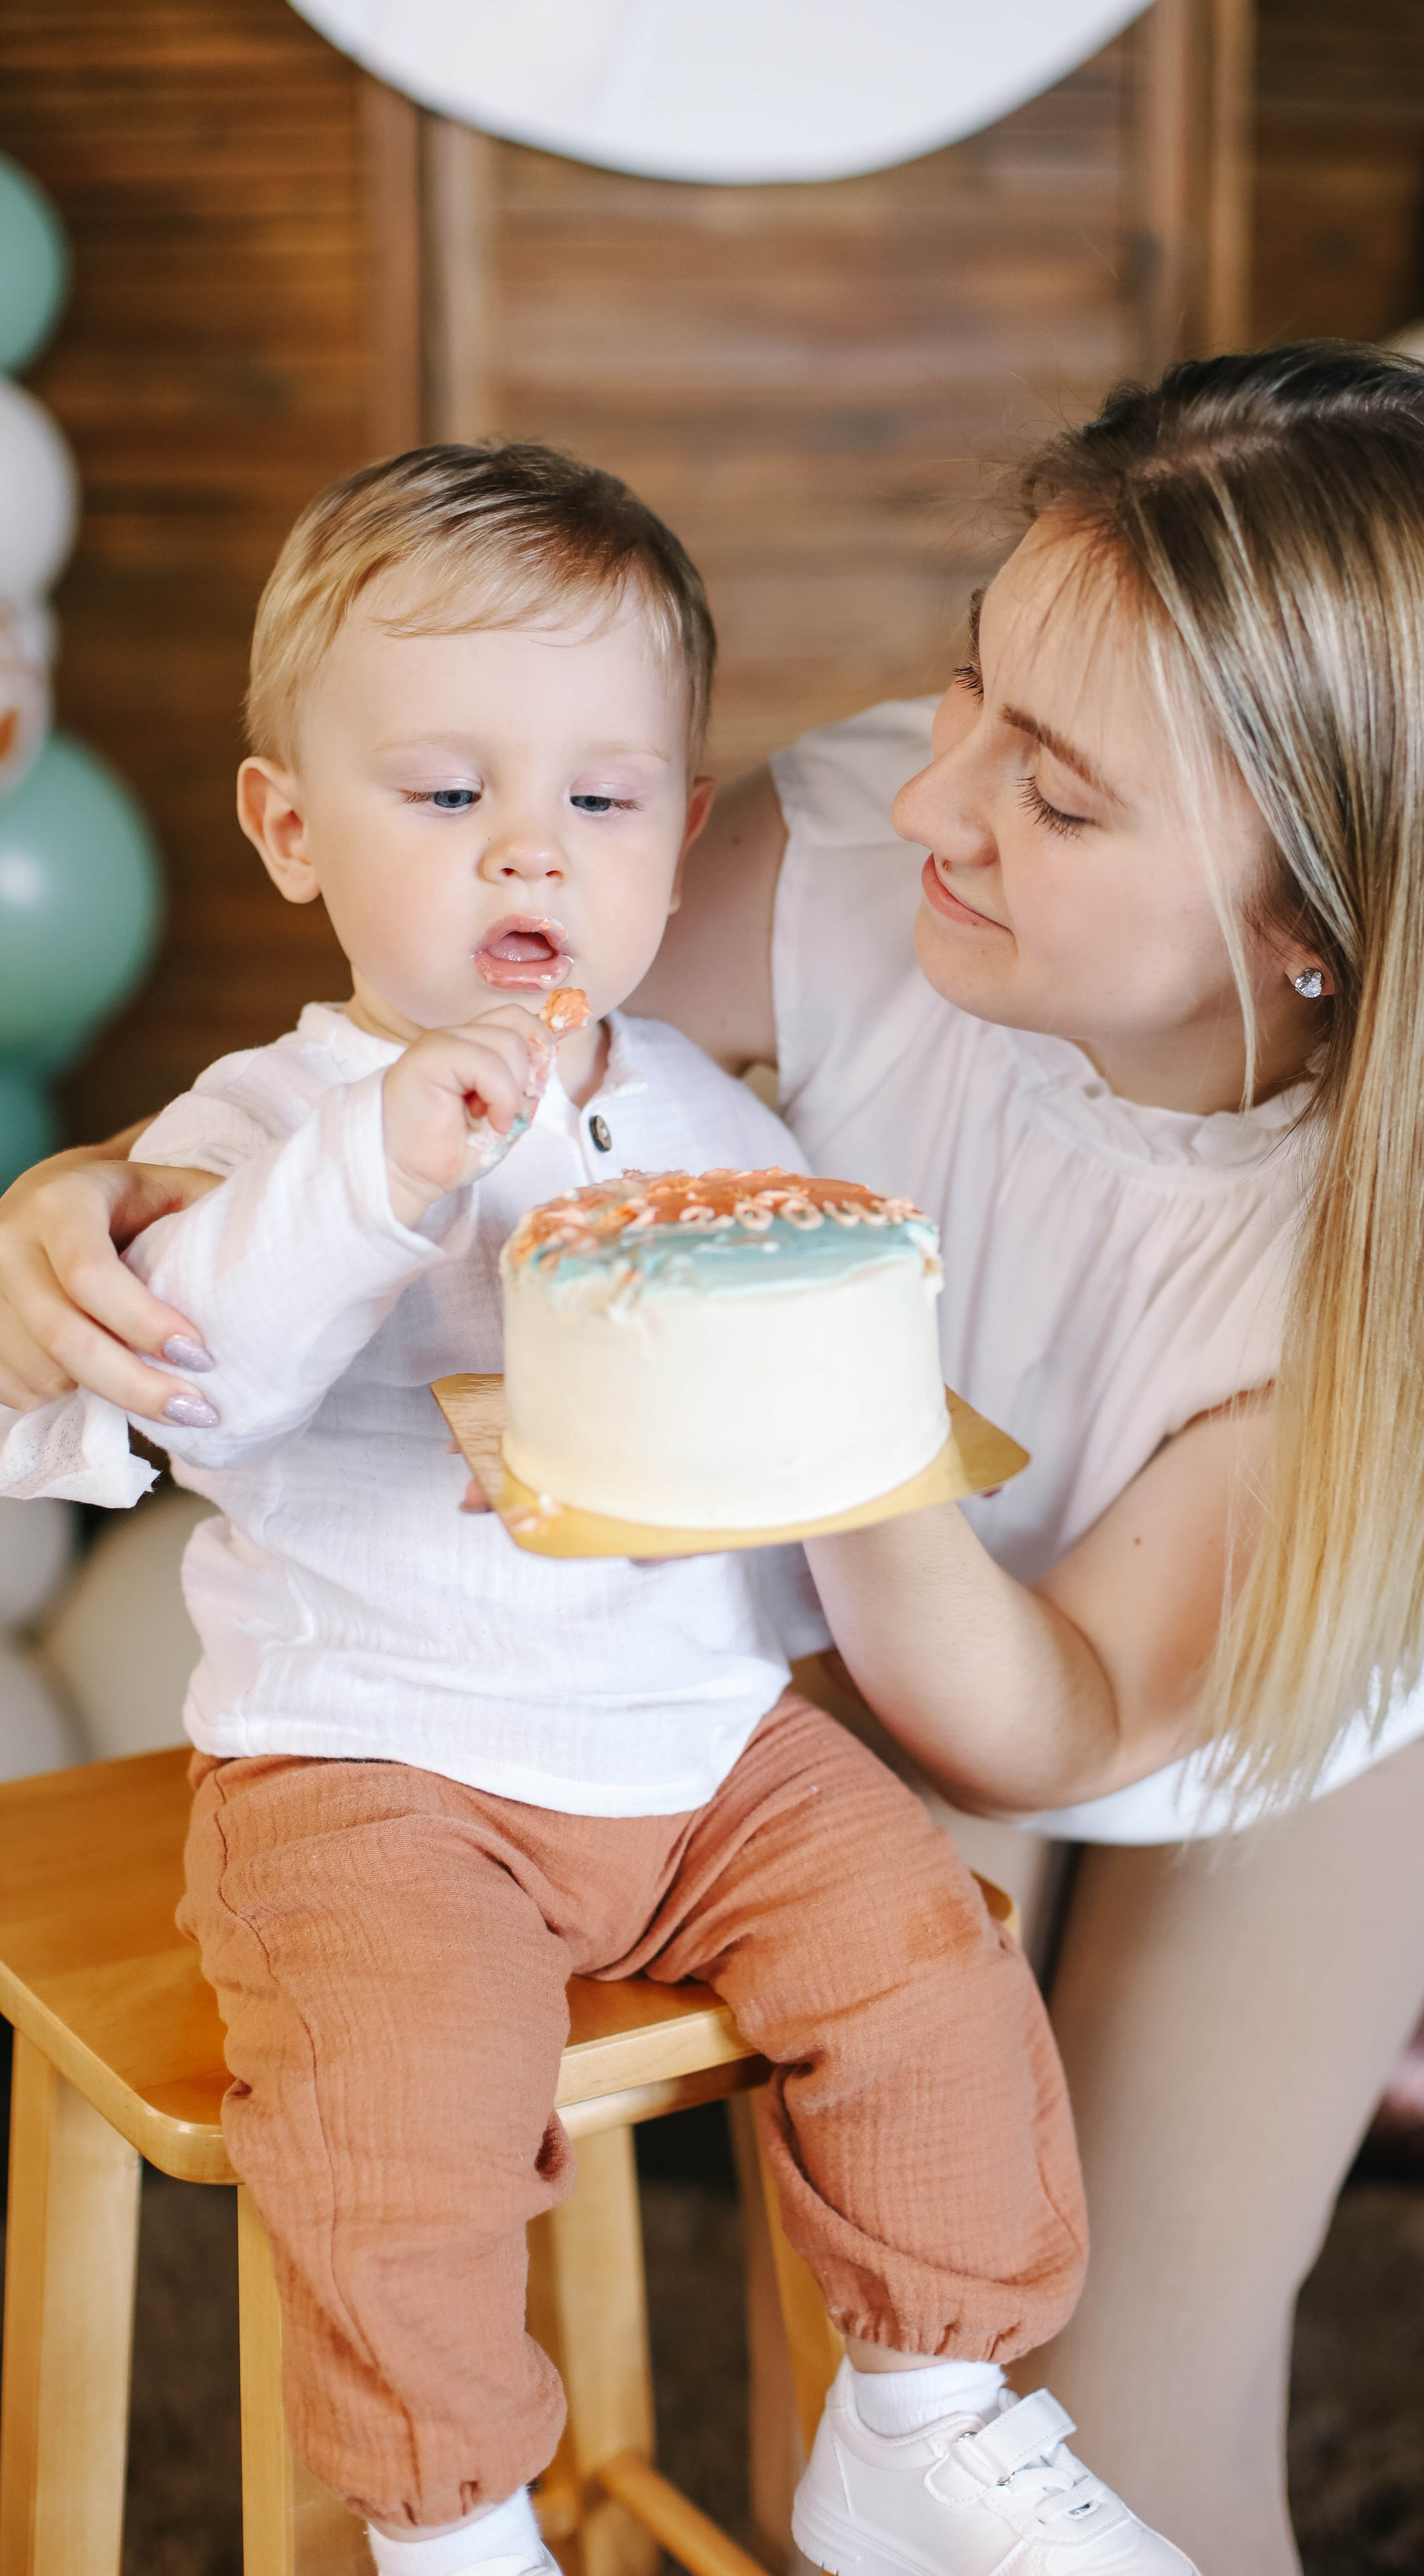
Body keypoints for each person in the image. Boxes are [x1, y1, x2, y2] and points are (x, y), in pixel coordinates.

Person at [3, 346, 1424, 2571]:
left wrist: (821, 1386)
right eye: (969, 689)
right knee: (867, 2303)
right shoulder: (840, 861)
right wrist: (98, 1191)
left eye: (1062, 795)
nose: (938, 800)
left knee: (1129, 2437)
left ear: (1312, 922)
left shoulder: (1406, 1272)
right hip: (860, 1622)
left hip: (1246, 1724)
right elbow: (436, 1076)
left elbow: (1051, 1709)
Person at [0, 442, 1187, 2576]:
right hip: (379, 1764)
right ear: (292, 828)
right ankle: (452, 2521)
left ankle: (923, 2404)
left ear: (679, 837)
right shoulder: (261, 1121)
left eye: (601, 801)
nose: (528, 846)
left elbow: (770, 1425)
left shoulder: (709, 1110)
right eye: (447, 797)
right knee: (403, 2119)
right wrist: (379, 1167)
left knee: (931, 1960)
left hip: (700, 1744)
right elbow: (203, 1377)